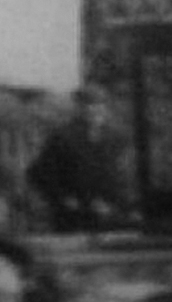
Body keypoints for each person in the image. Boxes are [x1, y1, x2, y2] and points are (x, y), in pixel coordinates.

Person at [27, 84, 134, 231]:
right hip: (75, 217)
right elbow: (38, 174)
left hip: (111, 215)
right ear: (78, 108)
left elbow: (122, 173)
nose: (94, 109)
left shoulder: (116, 138)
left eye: (99, 104)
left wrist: (119, 203)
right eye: (88, 104)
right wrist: (64, 199)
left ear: (106, 107)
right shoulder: (62, 137)